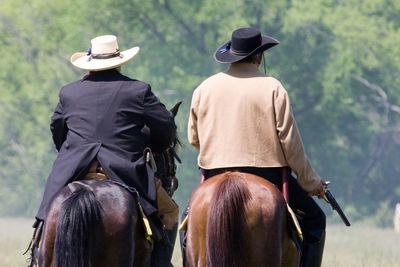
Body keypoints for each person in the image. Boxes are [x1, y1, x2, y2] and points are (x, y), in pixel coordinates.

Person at [29, 35, 178, 267]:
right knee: (169, 212)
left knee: (47, 215)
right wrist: (151, 148)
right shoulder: (138, 90)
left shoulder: (69, 93)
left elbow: (57, 131)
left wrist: (72, 154)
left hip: (74, 169)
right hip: (125, 170)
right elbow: (166, 127)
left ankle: (35, 255)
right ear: (119, 61)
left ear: (90, 62)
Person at [187, 27, 327, 267]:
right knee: (316, 220)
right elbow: (290, 143)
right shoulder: (273, 87)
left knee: (188, 224)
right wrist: (310, 182)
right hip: (269, 175)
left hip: (214, 174)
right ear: (259, 56)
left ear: (232, 55)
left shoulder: (204, 88)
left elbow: (193, 138)